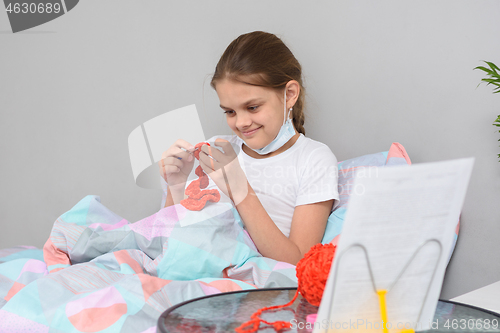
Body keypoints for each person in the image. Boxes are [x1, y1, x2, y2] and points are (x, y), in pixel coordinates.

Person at [159, 31, 339, 265]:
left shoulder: (314, 159)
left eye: (252, 107)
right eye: (230, 112)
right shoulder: (218, 150)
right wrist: (176, 186)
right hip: (196, 269)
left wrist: (240, 188)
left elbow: (298, 263)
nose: (241, 122)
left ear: (289, 95)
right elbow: (166, 243)